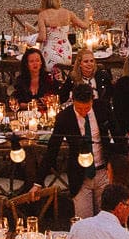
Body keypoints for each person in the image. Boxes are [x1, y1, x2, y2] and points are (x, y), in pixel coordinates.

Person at [46, 84, 123, 220]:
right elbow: (53, 148)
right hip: (80, 176)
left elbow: (118, 136)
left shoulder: (103, 108)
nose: (83, 112)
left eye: (87, 108)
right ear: (73, 101)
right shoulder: (64, 117)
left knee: (106, 220)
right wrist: (38, 182)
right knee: (83, 221)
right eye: (79, 108)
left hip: (103, 172)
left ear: (92, 101)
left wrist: (120, 166)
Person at [38, 0, 85, 70]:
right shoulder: (68, 13)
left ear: (43, 1)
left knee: (50, 77)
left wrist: (30, 39)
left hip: (50, 50)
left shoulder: (42, 15)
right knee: (63, 75)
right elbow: (85, 26)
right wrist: (87, 15)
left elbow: (42, 37)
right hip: (65, 49)